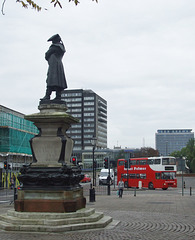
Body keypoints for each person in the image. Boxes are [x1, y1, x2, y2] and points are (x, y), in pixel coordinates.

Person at [41, 34, 67, 101]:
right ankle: (58, 96)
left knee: (50, 80)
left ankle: (47, 96)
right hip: (59, 65)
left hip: (53, 66)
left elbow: (47, 54)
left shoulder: (54, 47)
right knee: (58, 81)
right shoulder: (61, 48)